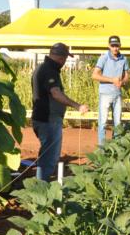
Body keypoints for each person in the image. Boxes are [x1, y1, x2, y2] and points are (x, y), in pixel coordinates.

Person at [32, 42, 89, 181]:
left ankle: (41, 185)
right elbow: (56, 93)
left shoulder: (41, 67)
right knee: (49, 157)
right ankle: (41, 188)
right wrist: (77, 105)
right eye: (65, 59)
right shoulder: (49, 70)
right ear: (61, 58)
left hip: (42, 118)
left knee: (46, 154)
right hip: (48, 119)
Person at [92, 35, 130, 145]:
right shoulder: (103, 58)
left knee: (118, 123)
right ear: (109, 46)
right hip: (105, 94)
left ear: (120, 46)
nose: (115, 48)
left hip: (117, 94)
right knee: (103, 122)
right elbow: (94, 75)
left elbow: (127, 75)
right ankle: (102, 150)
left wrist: (122, 82)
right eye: (113, 46)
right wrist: (111, 80)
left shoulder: (124, 59)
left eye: (117, 46)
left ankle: (116, 148)